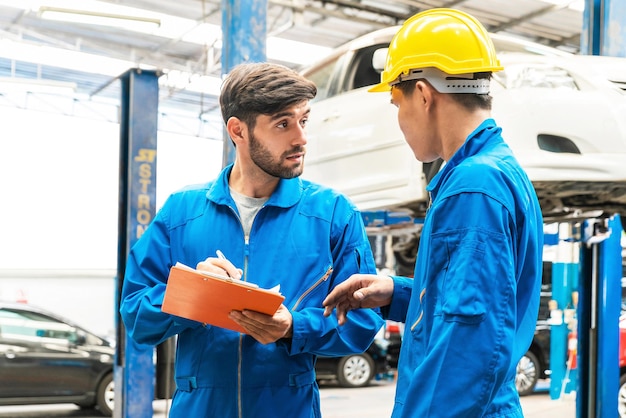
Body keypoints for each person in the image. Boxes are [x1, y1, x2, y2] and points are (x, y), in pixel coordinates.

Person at [120, 62, 384, 418]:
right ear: (238, 130)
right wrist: (195, 295)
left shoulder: (333, 215)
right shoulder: (181, 213)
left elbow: (363, 322)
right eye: (282, 124)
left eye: (303, 120)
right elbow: (135, 313)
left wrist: (294, 327)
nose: (301, 138)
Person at [322, 8, 544, 418]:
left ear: (423, 94)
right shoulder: (497, 172)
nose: (400, 122)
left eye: (395, 104)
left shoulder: (474, 187)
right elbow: (473, 305)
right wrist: (397, 292)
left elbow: (468, 342)